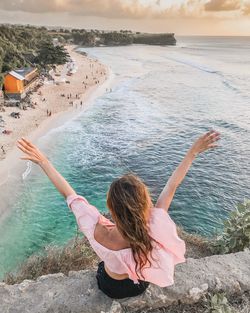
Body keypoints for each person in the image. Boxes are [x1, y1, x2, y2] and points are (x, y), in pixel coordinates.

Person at [17, 130, 220, 299]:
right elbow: (172, 186)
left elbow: (68, 193)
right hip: (136, 286)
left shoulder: (93, 227)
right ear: (143, 205)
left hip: (109, 286)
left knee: (102, 268)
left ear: (111, 208)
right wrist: (192, 153)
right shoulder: (151, 227)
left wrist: (43, 161)